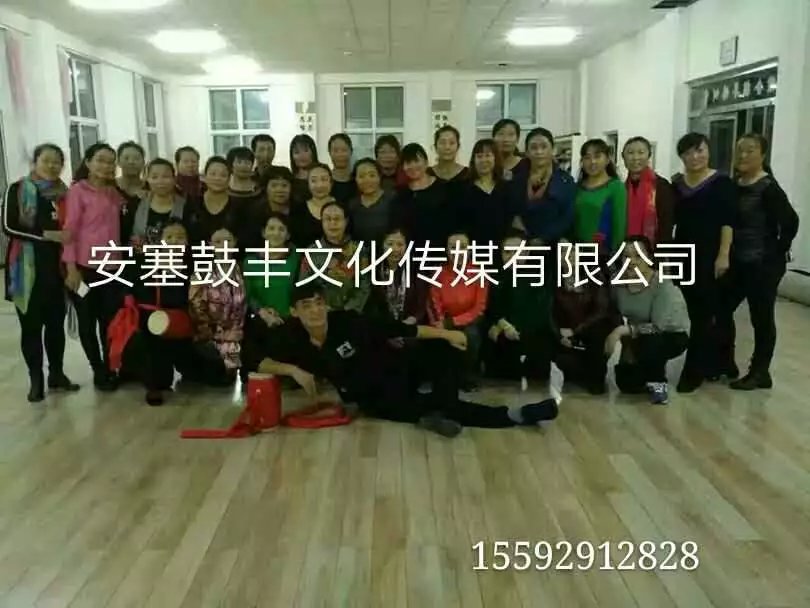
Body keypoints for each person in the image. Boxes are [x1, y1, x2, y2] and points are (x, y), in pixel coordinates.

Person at [241, 283, 560, 438]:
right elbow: (251, 359)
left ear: (326, 305)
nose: (314, 311)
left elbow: (402, 329)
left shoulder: (348, 321)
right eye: (306, 306)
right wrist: (292, 370)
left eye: (318, 303)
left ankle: (438, 409)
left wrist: (447, 334)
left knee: (444, 350)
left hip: (397, 367)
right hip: (371, 397)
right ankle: (515, 415)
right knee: (434, 405)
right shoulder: (290, 336)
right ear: (294, 312)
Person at [716, 134, 799, 391]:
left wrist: (776, 252)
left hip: (762, 265)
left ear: (762, 155)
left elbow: (791, 222)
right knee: (721, 308)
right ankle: (725, 361)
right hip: (737, 262)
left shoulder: (768, 188)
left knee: (761, 318)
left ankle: (760, 372)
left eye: (750, 150)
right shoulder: (735, 184)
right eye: (740, 150)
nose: (743, 155)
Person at [3, 143, 79, 402]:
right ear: (34, 162)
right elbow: (8, 226)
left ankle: (56, 374)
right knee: (31, 328)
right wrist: (47, 235)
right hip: (26, 271)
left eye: (57, 161)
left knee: (55, 325)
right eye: (46, 160)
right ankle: (36, 380)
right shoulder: (18, 189)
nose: (52, 166)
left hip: (57, 269)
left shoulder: (65, 194)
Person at [672, 132, 735, 393]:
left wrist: (724, 254)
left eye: (699, 150)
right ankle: (721, 362)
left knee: (705, 313)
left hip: (710, 255)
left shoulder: (722, 182)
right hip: (682, 253)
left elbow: (728, 221)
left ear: (708, 151)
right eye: (688, 153)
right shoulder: (677, 184)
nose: (694, 157)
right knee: (695, 311)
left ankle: (693, 372)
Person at [62, 142, 124, 391]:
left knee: (109, 321)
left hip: (112, 268)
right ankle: (98, 370)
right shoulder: (78, 191)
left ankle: (110, 367)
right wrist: (71, 269)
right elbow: (69, 231)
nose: (106, 166)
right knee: (87, 322)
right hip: (84, 268)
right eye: (100, 160)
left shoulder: (113, 192)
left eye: (110, 161)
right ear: (88, 162)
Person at [115, 221, 194, 406]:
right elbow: (126, 287)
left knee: (203, 374)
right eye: (169, 237)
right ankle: (150, 383)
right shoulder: (144, 262)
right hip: (151, 326)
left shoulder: (193, 265)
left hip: (181, 325)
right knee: (160, 378)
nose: (174, 241)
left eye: (180, 237)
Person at [609, 236, 690, 405]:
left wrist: (623, 331)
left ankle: (659, 385)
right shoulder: (617, 282)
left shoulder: (661, 283)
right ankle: (647, 368)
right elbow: (613, 312)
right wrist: (624, 344)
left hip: (670, 334)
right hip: (638, 333)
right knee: (627, 384)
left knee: (652, 343)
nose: (631, 262)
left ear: (649, 258)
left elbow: (658, 326)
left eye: (638, 256)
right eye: (626, 256)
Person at [485, 230, 553, 382]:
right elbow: (490, 307)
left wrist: (509, 326)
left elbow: (539, 311)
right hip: (503, 331)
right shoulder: (493, 275)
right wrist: (501, 324)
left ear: (527, 252)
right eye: (507, 252)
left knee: (538, 371)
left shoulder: (539, 275)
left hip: (530, 332)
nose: (512, 257)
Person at [552, 241, 619, 394]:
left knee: (598, 330)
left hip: (591, 330)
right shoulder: (553, 279)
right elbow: (548, 311)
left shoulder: (594, 275)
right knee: (565, 361)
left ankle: (595, 378)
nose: (568, 256)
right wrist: (559, 333)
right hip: (566, 333)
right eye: (563, 252)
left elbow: (601, 310)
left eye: (572, 251)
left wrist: (576, 330)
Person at [428, 231, 488, 390]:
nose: (458, 252)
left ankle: (467, 377)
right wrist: (441, 322)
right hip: (444, 320)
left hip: (470, 321)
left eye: (463, 247)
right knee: (436, 334)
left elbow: (479, 308)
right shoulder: (438, 273)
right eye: (453, 247)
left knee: (471, 334)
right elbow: (434, 303)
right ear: (446, 250)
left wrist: (453, 322)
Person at [188, 228, 246, 385]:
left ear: (235, 243)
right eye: (218, 242)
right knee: (216, 376)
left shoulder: (243, 270)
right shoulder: (201, 272)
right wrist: (215, 336)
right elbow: (196, 310)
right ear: (210, 244)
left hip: (238, 334)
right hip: (210, 337)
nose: (224, 245)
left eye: (228, 241)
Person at [298, 201, 370, 312]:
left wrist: (346, 311)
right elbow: (304, 287)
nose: (333, 223)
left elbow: (364, 287)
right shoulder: (311, 252)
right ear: (322, 222)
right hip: (319, 312)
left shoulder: (359, 250)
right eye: (328, 219)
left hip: (350, 314)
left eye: (337, 219)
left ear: (346, 221)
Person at [510, 128, 575, 245]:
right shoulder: (517, 180)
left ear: (553, 150)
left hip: (554, 244)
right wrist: (523, 236)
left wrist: (544, 238)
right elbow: (512, 212)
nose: (539, 152)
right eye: (533, 147)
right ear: (527, 152)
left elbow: (567, 216)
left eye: (544, 147)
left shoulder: (565, 181)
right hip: (521, 244)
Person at [391, 143, 455, 247]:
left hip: (438, 250)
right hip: (410, 251)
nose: (413, 166)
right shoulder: (401, 193)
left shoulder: (444, 188)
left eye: (416, 161)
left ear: (426, 162)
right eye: (408, 163)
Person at [243, 213, 300, 327]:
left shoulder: (296, 258)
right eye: (271, 228)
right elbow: (248, 295)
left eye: (281, 229)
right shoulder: (250, 262)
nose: (276, 233)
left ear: (288, 235)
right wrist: (262, 311)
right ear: (263, 233)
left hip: (292, 320)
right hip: (261, 321)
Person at [574, 138, 627, 253]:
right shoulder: (577, 187)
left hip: (604, 252)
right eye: (587, 157)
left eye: (597, 156)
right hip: (576, 250)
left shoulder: (616, 187)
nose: (592, 161)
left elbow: (619, 225)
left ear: (607, 159)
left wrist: (616, 254)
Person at [622, 136, 676, 248]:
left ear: (649, 156)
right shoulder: (621, 188)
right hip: (627, 250)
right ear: (624, 157)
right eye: (630, 153)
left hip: (654, 249)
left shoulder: (661, 186)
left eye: (641, 152)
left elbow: (666, 224)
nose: (635, 157)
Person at [460, 138, 510, 246]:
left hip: (501, 248)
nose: (483, 160)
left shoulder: (506, 187)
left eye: (488, 155)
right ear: (473, 160)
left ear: (495, 158)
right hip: (472, 249)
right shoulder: (463, 188)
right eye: (479, 156)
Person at [130, 158, 189, 249]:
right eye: (154, 177)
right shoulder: (136, 204)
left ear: (174, 179)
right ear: (147, 179)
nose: (160, 181)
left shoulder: (186, 206)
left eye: (166, 177)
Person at [187, 156, 242, 246]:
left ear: (229, 179)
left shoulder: (239, 206)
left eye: (223, 175)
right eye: (213, 174)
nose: (217, 178)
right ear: (204, 177)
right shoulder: (191, 203)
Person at [241, 165, 294, 250]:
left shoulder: (299, 209)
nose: (279, 190)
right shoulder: (254, 212)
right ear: (266, 188)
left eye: (284, 185)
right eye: (274, 185)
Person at [288, 163, 337, 248]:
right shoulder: (298, 210)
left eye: (324, 179)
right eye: (314, 180)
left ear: (331, 182)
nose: (319, 185)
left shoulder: (342, 207)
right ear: (308, 184)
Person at [348, 158, 394, 245]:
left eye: (372, 175)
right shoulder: (352, 205)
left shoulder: (392, 200)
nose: (367, 180)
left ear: (379, 176)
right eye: (361, 176)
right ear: (355, 179)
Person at [115, 141, 146, 244]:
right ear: (118, 162)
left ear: (143, 162)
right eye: (126, 158)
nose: (131, 162)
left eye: (136, 158)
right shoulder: (110, 187)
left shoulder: (151, 188)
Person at [328, 133, 358, 204]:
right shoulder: (325, 182)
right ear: (330, 153)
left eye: (344, 150)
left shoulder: (359, 181)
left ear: (351, 152)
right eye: (335, 151)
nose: (340, 154)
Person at [290, 134, 319, 204]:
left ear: (313, 152)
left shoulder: (323, 175)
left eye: (306, 150)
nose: (302, 155)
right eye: (297, 152)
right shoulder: (290, 179)